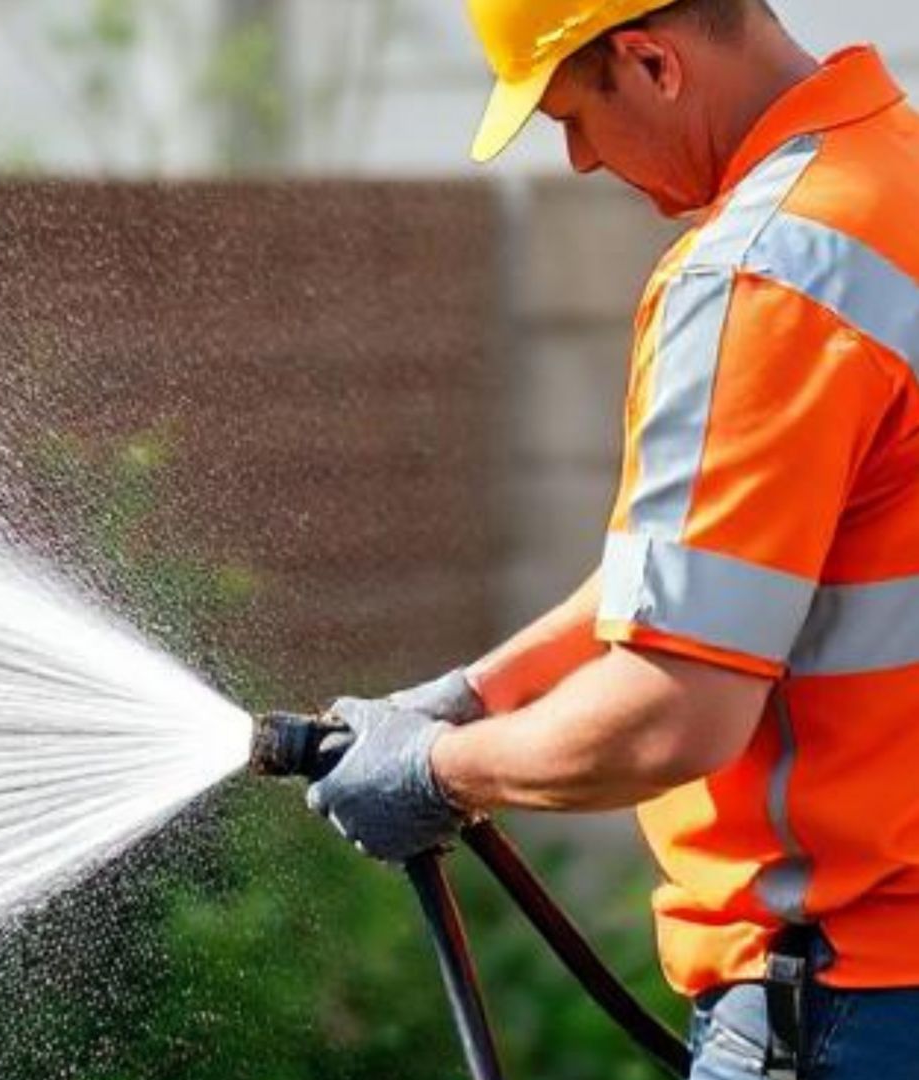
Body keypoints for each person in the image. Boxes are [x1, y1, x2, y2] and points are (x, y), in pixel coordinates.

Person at [304, 1, 919, 1076]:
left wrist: (441, 772)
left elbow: (669, 715)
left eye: (571, 114)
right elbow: (733, 574)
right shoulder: (895, 188)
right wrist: (481, 690)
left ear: (649, 61)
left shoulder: (765, 274)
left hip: (854, 998)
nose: (581, 160)